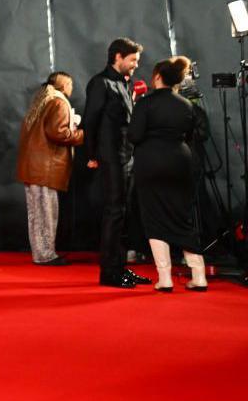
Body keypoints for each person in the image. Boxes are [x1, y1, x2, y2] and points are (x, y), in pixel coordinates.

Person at [129, 56, 208, 292]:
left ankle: (165, 278)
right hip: (180, 161)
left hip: (150, 162)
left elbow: (133, 135)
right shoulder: (186, 104)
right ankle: (199, 275)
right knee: (183, 216)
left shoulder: (145, 103)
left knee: (154, 217)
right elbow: (193, 134)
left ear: (157, 77)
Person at [84, 37, 153, 288]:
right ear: (118, 57)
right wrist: (92, 155)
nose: (136, 65)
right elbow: (90, 122)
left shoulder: (125, 83)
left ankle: (120, 268)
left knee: (122, 214)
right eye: (133, 60)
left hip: (127, 156)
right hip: (111, 157)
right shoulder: (100, 83)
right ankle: (110, 273)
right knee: (114, 213)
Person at [17, 72, 85, 265]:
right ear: (63, 85)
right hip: (45, 168)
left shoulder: (41, 102)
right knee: (46, 213)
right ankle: (46, 255)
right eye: (70, 83)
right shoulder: (59, 102)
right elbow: (58, 132)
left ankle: (41, 254)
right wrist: (82, 135)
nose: (72, 87)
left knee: (36, 214)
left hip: (34, 167)